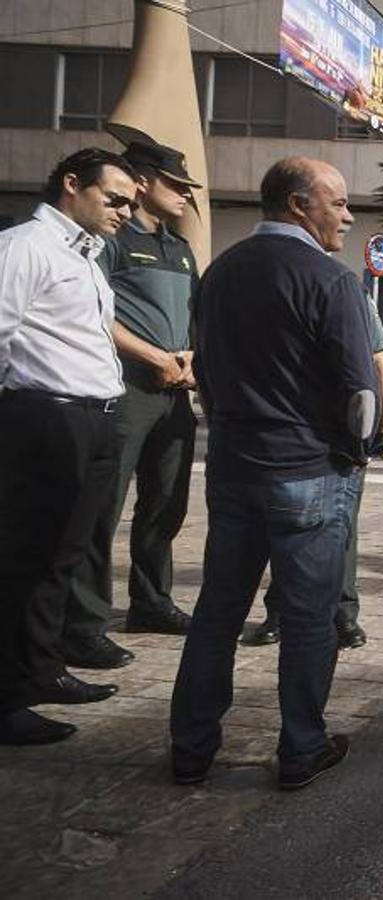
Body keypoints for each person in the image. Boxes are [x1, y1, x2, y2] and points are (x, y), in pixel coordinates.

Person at [170, 157, 379, 790]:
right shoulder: (332, 280)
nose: (347, 215)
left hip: (233, 467)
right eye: (337, 203)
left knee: (218, 610)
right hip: (307, 470)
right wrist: (354, 451)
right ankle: (301, 749)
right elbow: (359, 395)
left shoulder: (218, 274)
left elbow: (202, 367)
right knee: (310, 615)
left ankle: (190, 749)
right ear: (296, 204)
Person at [0, 148, 138, 745]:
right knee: (21, 562)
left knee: (64, 557)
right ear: (71, 184)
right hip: (45, 419)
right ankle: (6, 700)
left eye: (131, 203)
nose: (125, 213)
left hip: (96, 419)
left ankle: (41, 670)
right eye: (115, 199)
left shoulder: (86, 256)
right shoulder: (25, 246)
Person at [65, 140, 202, 653]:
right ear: (143, 182)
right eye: (177, 185)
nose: (186, 196)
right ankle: (84, 624)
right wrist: (154, 357)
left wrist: (189, 357)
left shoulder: (181, 248)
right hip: (126, 390)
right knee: (104, 506)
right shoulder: (113, 243)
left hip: (175, 392)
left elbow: (192, 315)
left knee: (167, 504)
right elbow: (98, 314)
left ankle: (151, 602)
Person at [242, 291, 383, 650]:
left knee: (343, 528)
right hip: (295, 430)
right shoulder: (284, 293)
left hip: (345, 431)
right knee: (291, 523)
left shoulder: (352, 294)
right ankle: (279, 614)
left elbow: (379, 361)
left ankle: (344, 616)